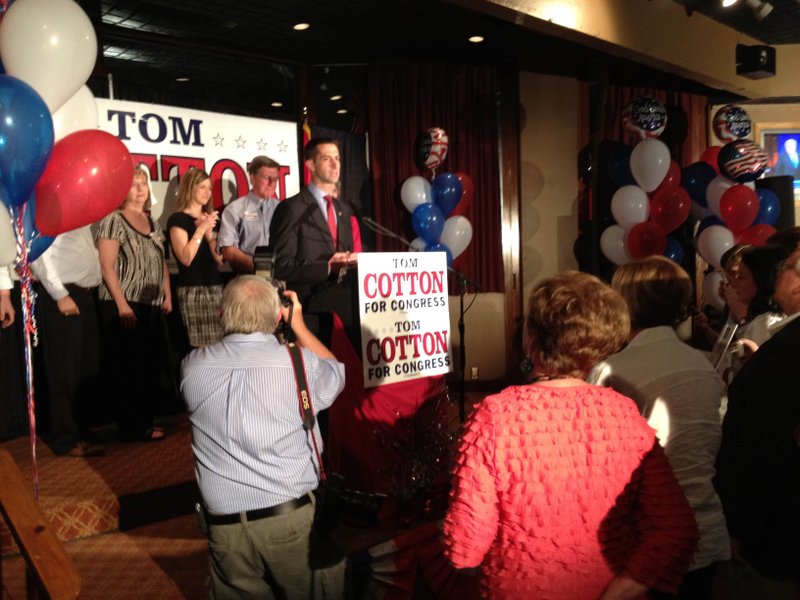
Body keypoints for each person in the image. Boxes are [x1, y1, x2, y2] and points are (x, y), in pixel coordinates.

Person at [443, 271, 698, 599]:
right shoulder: (624, 413)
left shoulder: (495, 416)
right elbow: (676, 531)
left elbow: (465, 549)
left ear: (531, 337)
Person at [181, 276, 345, 598]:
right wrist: (297, 325)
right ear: (276, 317)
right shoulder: (299, 364)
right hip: (290, 521)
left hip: (224, 529)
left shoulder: (191, 367)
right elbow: (336, 373)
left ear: (221, 313)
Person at [588, 256, 729, 598]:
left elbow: (598, 464)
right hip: (708, 529)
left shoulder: (610, 370)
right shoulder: (704, 364)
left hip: (648, 541)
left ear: (624, 304)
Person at [714, 244, 800, 599]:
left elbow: (762, 446)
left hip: (778, 536)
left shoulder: (785, 351)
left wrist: (740, 524)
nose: (780, 273)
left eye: (790, 266)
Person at [96, 167, 173, 441]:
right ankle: (133, 425)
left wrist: (167, 295)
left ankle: (146, 420)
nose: (141, 189)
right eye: (134, 185)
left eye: (143, 184)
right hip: (124, 302)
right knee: (128, 367)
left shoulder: (152, 221)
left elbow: (161, 261)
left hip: (151, 302)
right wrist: (122, 305)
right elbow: (106, 267)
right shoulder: (113, 220)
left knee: (149, 365)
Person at [30, 226, 104, 457]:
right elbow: (36, 253)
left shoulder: (76, 210)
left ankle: (81, 431)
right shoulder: (46, 208)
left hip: (85, 295)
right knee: (64, 370)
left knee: (86, 368)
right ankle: (66, 438)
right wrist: (59, 294)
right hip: (63, 296)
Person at [269, 137, 358, 311]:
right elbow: (280, 266)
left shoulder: (344, 209)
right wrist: (327, 268)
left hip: (344, 307)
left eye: (337, 158)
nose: (335, 165)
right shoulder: (292, 208)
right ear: (310, 165)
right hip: (308, 308)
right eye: (326, 159)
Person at [167, 168, 224, 348]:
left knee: (219, 345)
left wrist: (208, 234)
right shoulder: (178, 219)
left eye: (209, 188)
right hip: (193, 290)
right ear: (190, 188)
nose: (207, 192)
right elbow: (186, 258)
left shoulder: (207, 218)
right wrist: (200, 229)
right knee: (199, 347)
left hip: (215, 288)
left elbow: (220, 260)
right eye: (202, 187)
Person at [218, 155, 281, 274]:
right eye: (266, 177)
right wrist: (257, 266)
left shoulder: (282, 208)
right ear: (252, 178)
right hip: (247, 279)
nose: (271, 183)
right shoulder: (235, 209)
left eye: (275, 178)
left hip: (279, 278)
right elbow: (228, 250)